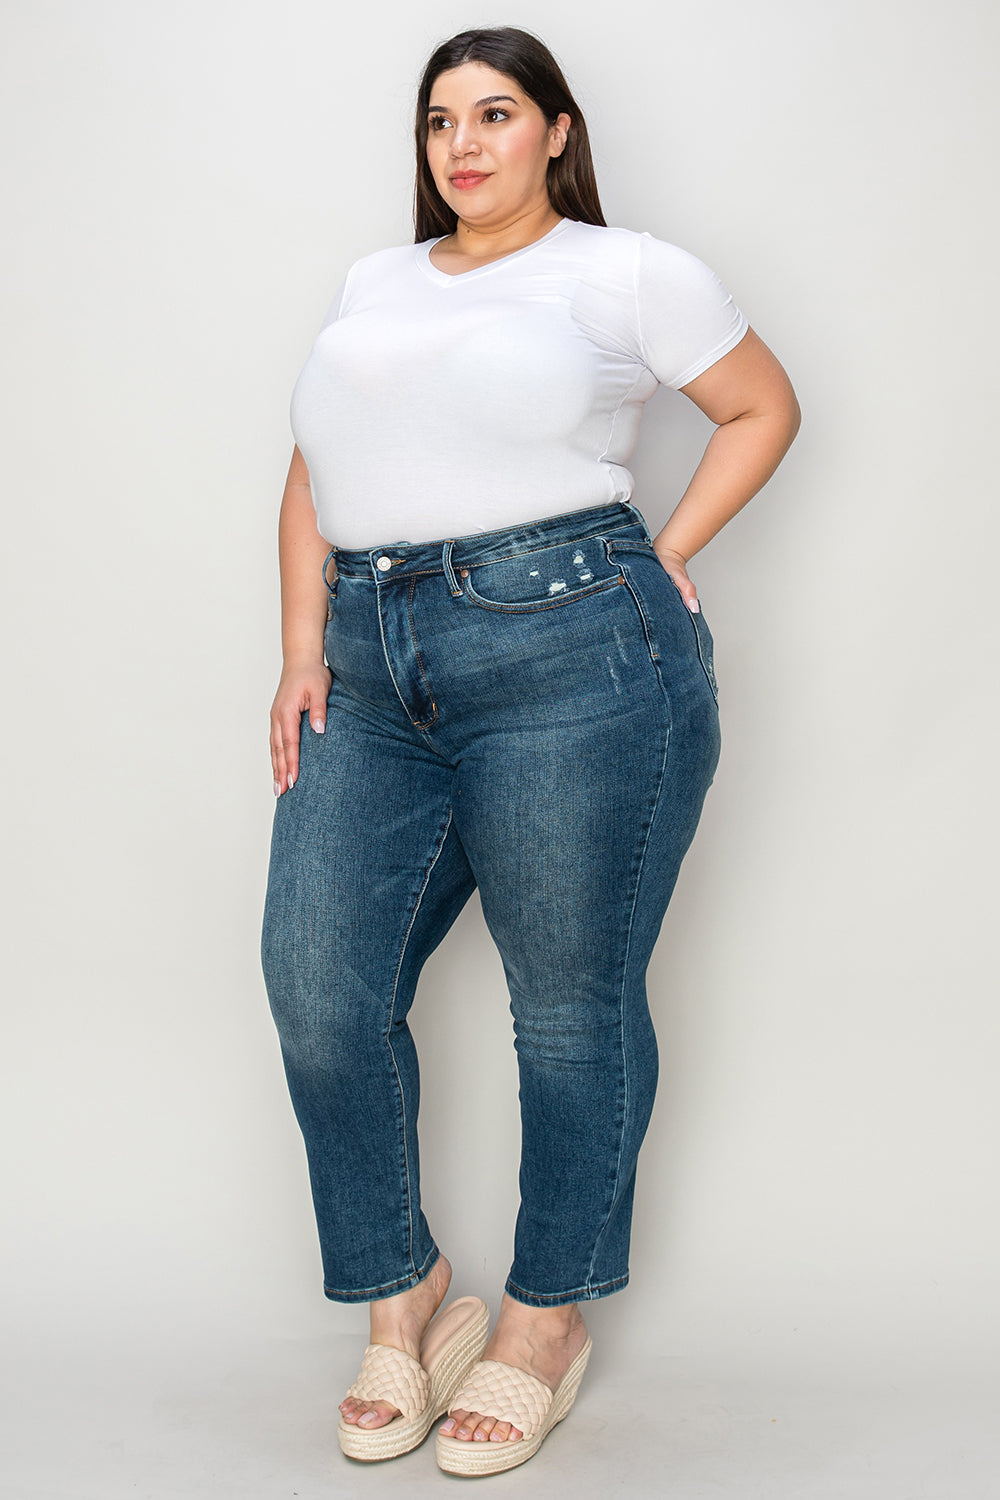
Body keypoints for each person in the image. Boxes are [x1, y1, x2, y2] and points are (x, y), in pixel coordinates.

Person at [260, 25, 800, 1477]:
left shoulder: (626, 273)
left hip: (573, 650)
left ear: (555, 130)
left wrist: (665, 559)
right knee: (319, 984)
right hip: (371, 667)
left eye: (496, 114)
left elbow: (763, 407)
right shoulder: (376, 284)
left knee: (567, 1005)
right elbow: (317, 468)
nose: (464, 144)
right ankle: (408, 1293)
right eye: (440, 121)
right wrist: (306, 646)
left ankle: (547, 1316)